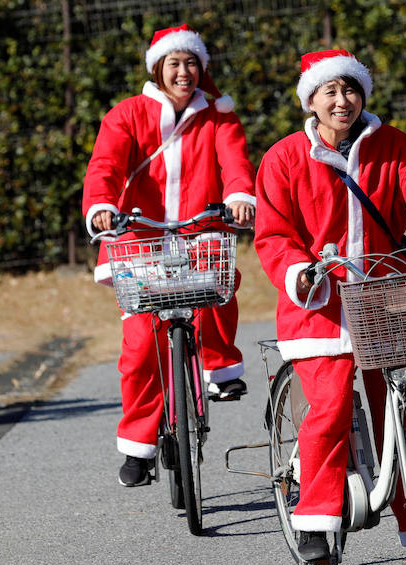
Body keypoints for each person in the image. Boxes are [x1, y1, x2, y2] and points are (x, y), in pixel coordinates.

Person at [254, 49, 406, 565]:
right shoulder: (283, 158)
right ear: (312, 101)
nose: (342, 100)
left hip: (387, 295)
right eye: (331, 92)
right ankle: (315, 521)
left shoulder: (395, 146)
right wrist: (299, 271)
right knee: (329, 407)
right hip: (319, 303)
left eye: (350, 89)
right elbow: (274, 234)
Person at [82, 24, 256, 487]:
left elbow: (234, 163)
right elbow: (106, 166)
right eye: (174, 63)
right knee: (141, 346)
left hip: (199, 231)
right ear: (157, 68)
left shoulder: (218, 117)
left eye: (192, 62)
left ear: (202, 68)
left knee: (221, 285)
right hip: (139, 238)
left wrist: (240, 194)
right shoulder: (127, 114)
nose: (184, 71)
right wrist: (102, 208)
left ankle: (220, 368)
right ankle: (138, 447)